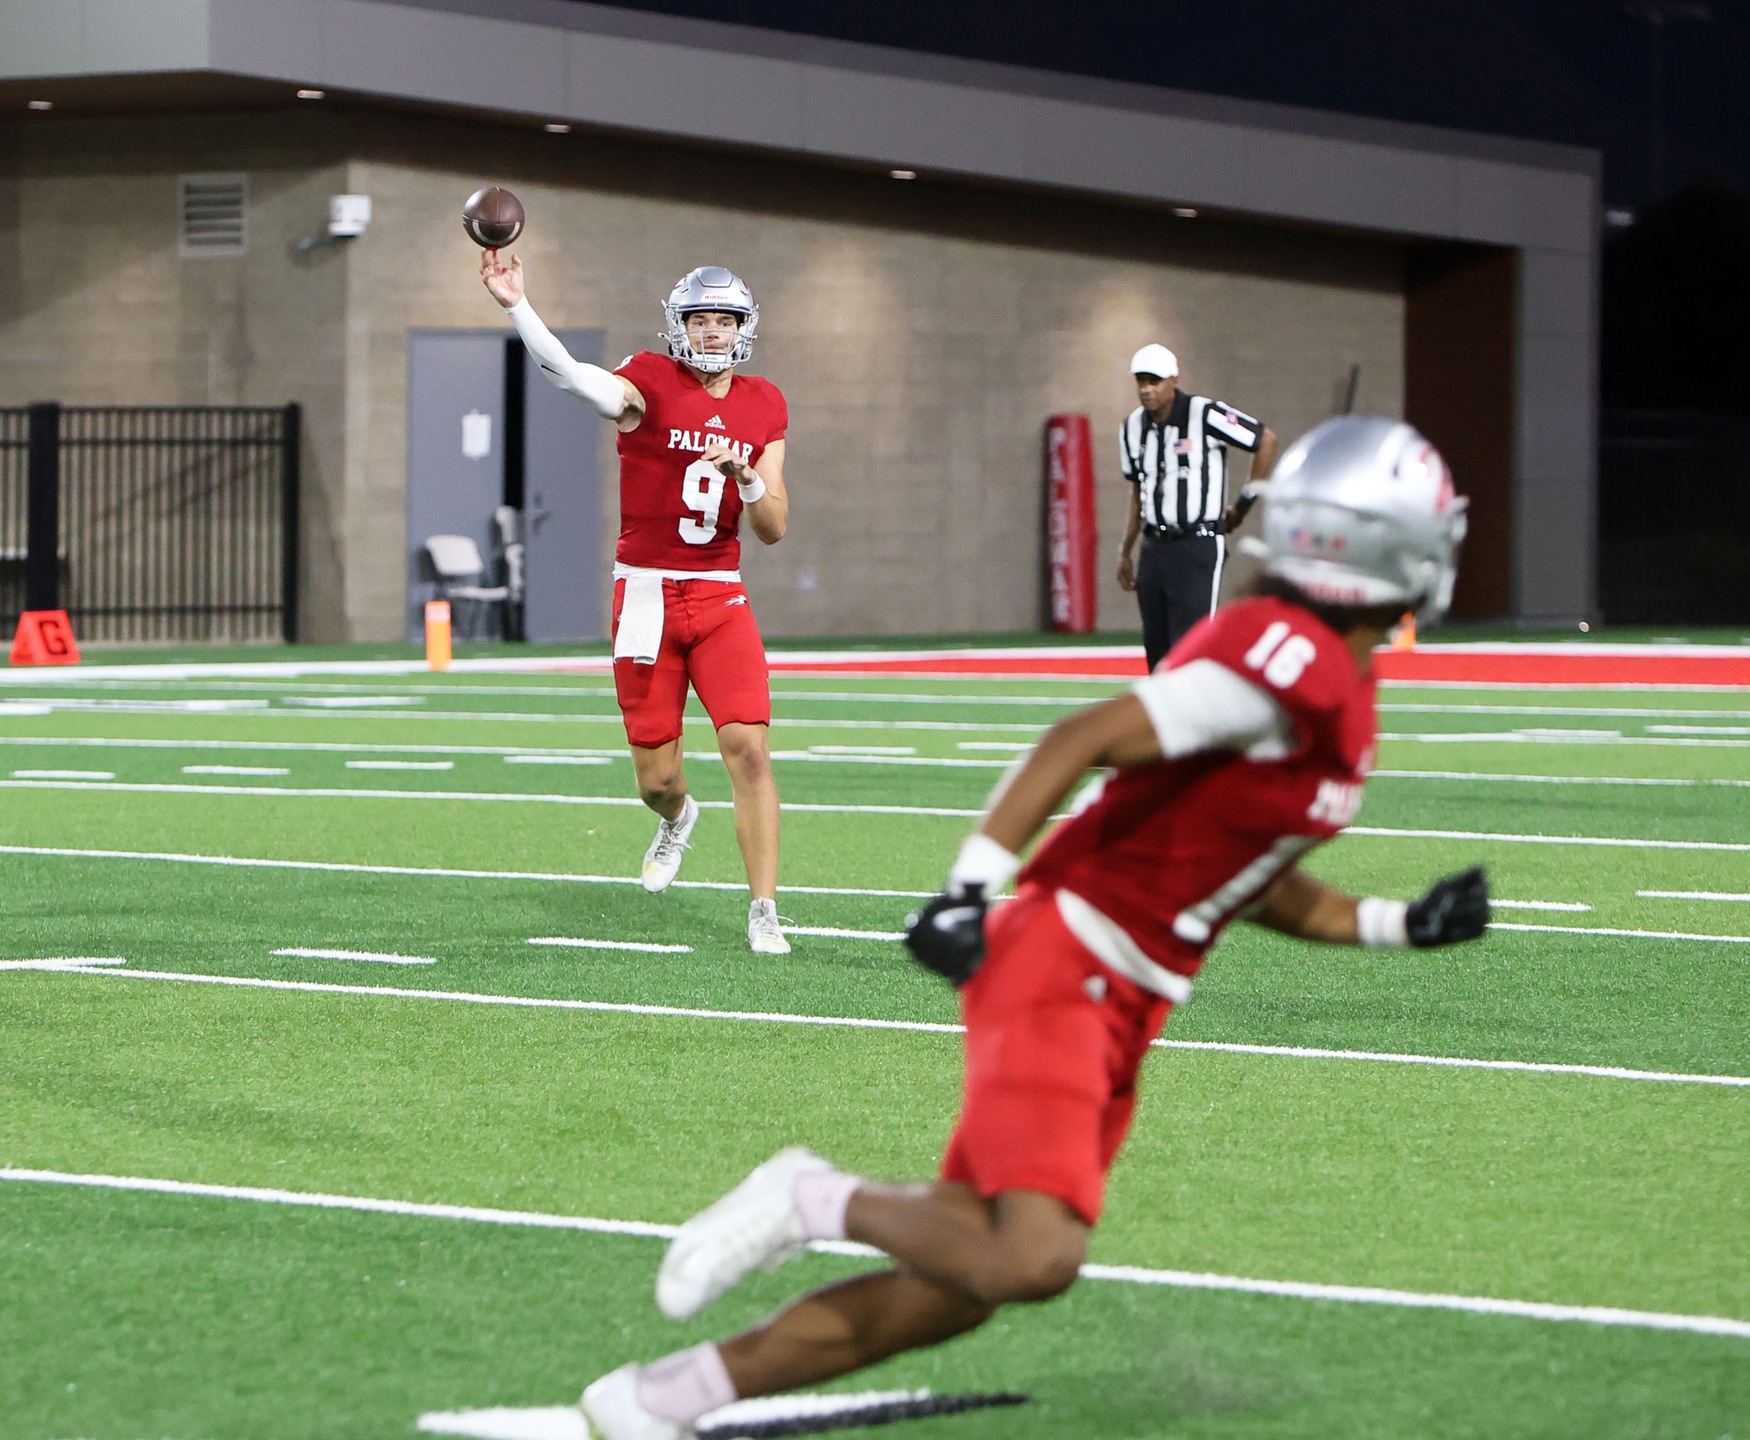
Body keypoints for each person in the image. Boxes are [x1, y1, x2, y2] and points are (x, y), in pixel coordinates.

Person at [568, 417, 1492, 1439]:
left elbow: (1250, 874)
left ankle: (660, 1399)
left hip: (1129, 997)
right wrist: (968, 887)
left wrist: (1402, 925)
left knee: (960, 1284)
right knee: (1034, 1257)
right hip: (1070, 958)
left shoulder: (1339, 682)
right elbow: (1088, 736)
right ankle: (808, 1198)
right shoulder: (1294, 661)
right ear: (1382, 545)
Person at [481, 252, 795, 956]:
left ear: (743, 328)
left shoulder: (763, 402)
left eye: (724, 321)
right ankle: (677, 817)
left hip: (720, 595)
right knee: (655, 778)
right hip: (646, 596)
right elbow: (571, 377)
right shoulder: (649, 381)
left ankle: (765, 908)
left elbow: (773, 527)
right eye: (700, 319)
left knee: (748, 750)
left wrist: (747, 478)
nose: (712, 332)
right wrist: (517, 307)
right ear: (678, 325)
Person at [1116, 343, 1274, 670]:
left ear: (1173, 379)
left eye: (1155, 381)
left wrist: (1243, 505)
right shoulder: (1133, 427)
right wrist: (1126, 550)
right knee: (1158, 653)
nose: (1147, 389)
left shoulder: (1204, 414)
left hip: (1196, 543)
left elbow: (1265, 441)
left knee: (1192, 650)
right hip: (1154, 547)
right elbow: (1138, 490)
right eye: (1141, 381)